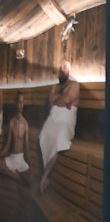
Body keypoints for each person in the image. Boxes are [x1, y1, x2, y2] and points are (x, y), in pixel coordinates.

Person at [35, 65, 76, 193]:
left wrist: (58, 99)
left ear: (69, 71)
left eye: (65, 68)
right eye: (61, 69)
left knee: (59, 138)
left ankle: (44, 177)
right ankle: (46, 175)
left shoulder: (75, 85)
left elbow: (65, 99)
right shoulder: (55, 86)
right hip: (53, 119)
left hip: (66, 121)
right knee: (43, 135)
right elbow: (52, 99)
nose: (63, 71)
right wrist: (63, 100)